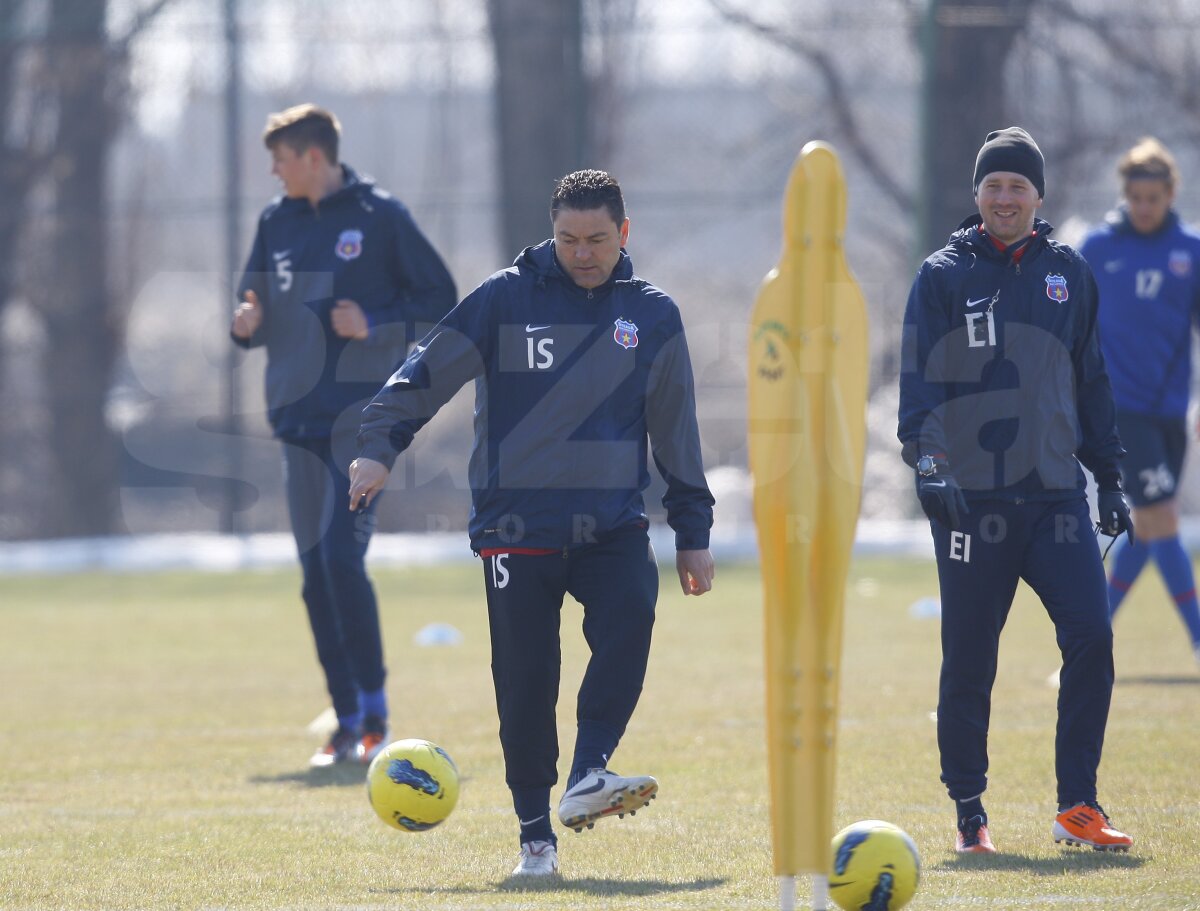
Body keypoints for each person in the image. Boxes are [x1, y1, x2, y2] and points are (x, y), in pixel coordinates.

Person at [348, 169, 715, 877]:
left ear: (624, 233)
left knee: (632, 618)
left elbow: (677, 430)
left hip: (612, 526)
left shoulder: (652, 315)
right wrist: (378, 445)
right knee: (525, 681)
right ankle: (535, 838)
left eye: (597, 239)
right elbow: (426, 370)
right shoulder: (504, 299)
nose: (582, 253)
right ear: (552, 233)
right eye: (568, 239)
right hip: (516, 528)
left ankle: (589, 771)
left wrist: (692, 531)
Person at [898, 127, 1135, 855]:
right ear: (977, 194)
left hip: (1057, 499)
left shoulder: (1070, 273)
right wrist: (930, 463)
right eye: (993, 185)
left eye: (1018, 186)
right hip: (973, 504)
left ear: (1038, 195)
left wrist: (1109, 476)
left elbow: (1091, 381)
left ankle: (1078, 806)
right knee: (971, 659)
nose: (1005, 198)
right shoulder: (942, 275)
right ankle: (970, 813)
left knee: (1092, 637)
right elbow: (920, 385)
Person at [231, 104, 457, 768]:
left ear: (313, 157)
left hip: (360, 425)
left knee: (340, 562)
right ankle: (346, 719)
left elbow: (441, 299)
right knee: (314, 577)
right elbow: (255, 304)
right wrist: (246, 322)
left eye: (280, 158)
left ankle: (375, 717)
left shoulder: (379, 216)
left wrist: (377, 321)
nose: (273, 171)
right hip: (296, 423)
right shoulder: (275, 221)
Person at [1080, 137, 1200, 667]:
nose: (1144, 207)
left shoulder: (1190, 251)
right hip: (1119, 409)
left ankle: (1089, 641)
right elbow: (1072, 323)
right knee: (1162, 515)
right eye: (1136, 197)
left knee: (1148, 531)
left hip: (1170, 411)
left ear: (1171, 194)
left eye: (1153, 198)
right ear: (1124, 194)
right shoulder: (1098, 249)